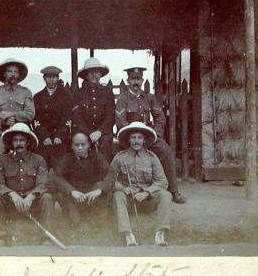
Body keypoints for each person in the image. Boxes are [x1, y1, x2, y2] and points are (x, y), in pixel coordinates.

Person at [115, 66, 186, 204]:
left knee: (165, 150)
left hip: (147, 138)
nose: (136, 82)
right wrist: (132, 138)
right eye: (133, 79)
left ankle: (173, 190)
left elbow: (160, 118)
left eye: (138, 79)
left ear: (142, 80)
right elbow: (120, 122)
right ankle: (123, 190)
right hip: (130, 139)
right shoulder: (122, 99)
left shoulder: (149, 97)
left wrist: (156, 134)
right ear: (128, 80)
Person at [0, 123, 53, 246]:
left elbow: (43, 184)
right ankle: (0, 237)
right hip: (11, 204)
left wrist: (32, 196)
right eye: (15, 140)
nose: (18, 144)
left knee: (47, 197)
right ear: (11, 143)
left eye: (22, 140)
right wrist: (12, 194)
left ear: (28, 142)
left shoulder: (38, 160)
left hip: (31, 204)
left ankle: (46, 238)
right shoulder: (2, 160)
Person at [111, 122, 172, 247]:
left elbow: (162, 182)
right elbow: (109, 180)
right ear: (129, 140)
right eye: (133, 138)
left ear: (144, 140)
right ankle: (128, 235)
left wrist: (147, 192)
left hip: (147, 201)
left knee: (166, 195)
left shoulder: (152, 158)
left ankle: (160, 234)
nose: (136, 141)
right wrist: (123, 188)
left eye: (140, 138)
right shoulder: (120, 157)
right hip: (129, 201)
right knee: (117, 195)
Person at [51, 132, 117, 238]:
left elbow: (111, 173)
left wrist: (100, 189)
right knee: (75, 222)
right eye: (76, 145)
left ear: (89, 145)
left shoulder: (97, 157)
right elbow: (56, 177)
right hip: (75, 198)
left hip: (92, 196)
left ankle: (96, 225)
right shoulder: (67, 158)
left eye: (83, 144)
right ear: (72, 146)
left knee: (97, 226)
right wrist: (72, 191)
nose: (80, 148)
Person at [71, 57, 115, 161]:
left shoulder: (107, 92)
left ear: (100, 74)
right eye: (90, 73)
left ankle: (104, 173)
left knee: (106, 142)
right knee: (80, 142)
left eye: (96, 72)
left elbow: (110, 115)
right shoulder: (78, 93)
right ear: (86, 75)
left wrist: (99, 131)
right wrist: (89, 132)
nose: (94, 75)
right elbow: (77, 117)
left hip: (102, 131)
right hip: (84, 130)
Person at [0, 59, 35, 154]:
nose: (13, 74)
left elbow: (30, 114)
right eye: (10, 71)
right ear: (4, 74)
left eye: (16, 72)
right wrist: (2, 121)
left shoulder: (25, 92)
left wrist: (11, 114)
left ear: (19, 74)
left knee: (24, 157)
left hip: (21, 132)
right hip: (0, 132)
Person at [33, 66, 71, 169]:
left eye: (54, 77)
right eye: (48, 77)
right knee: (41, 160)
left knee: (61, 162)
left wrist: (59, 136)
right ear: (44, 78)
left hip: (59, 136)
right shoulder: (38, 97)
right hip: (43, 136)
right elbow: (36, 119)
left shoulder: (65, 96)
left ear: (58, 78)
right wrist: (44, 136)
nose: (51, 79)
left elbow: (66, 118)